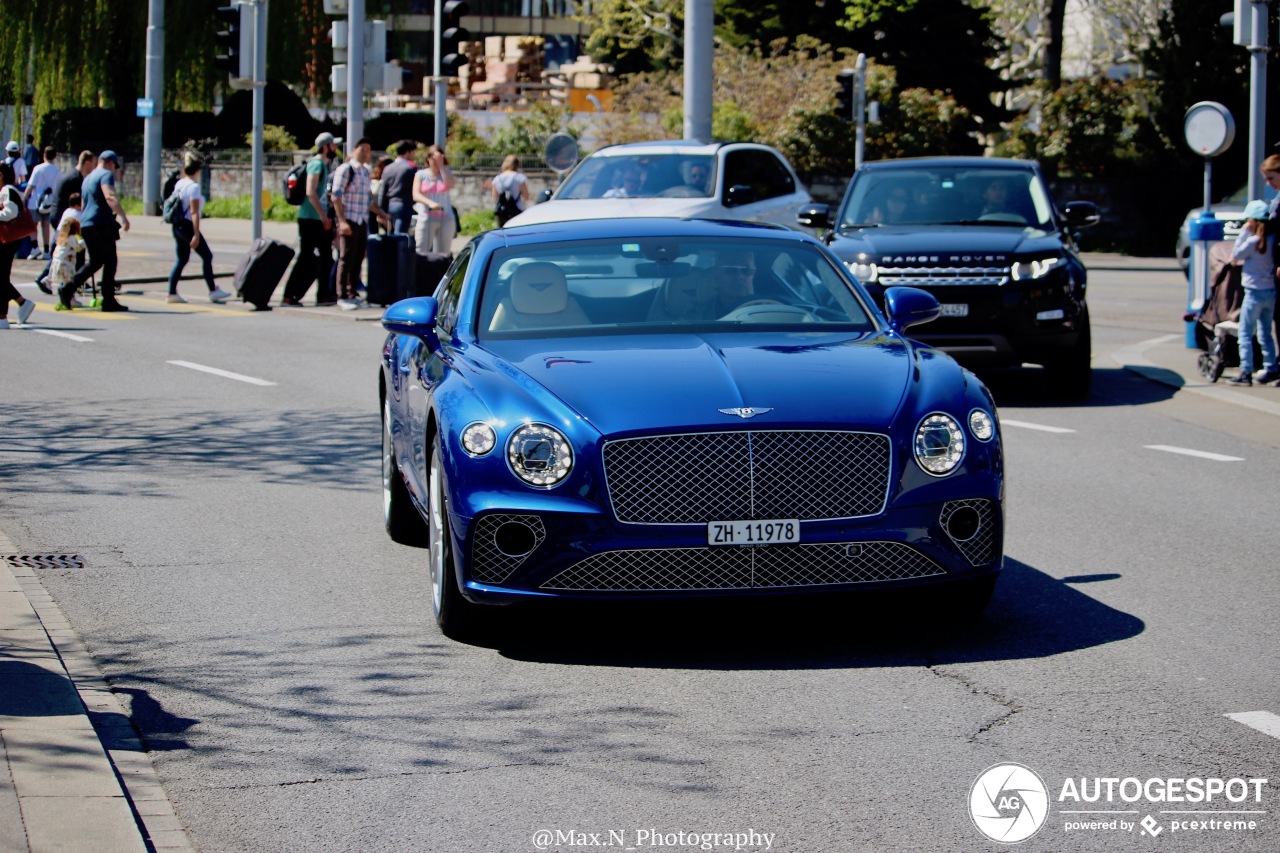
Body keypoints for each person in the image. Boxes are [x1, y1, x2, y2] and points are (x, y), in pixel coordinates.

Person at [60, 150, 130, 312]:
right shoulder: (106, 175)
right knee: (110, 260)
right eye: (114, 166)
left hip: (87, 224)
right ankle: (108, 299)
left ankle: (68, 288)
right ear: (111, 163)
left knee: (95, 261)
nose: (114, 169)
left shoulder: (87, 178)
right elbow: (110, 196)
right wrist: (124, 217)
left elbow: (84, 204)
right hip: (100, 224)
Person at [280, 132, 339, 307]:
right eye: (333, 145)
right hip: (310, 219)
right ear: (326, 146)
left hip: (317, 219)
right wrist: (323, 216)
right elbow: (310, 192)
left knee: (326, 257)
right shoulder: (316, 164)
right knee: (306, 257)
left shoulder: (325, 165)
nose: (336, 148)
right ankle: (288, 295)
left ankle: (324, 295)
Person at [1225, 199, 1279, 386]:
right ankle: (1271, 367)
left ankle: (1245, 371)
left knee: (1245, 332)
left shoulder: (1253, 241)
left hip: (1254, 292)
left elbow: (1236, 254)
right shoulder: (1272, 240)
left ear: (1253, 221)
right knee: (1265, 331)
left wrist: (1244, 232)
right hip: (1270, 291)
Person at [330, 138, 389, 310]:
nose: (365, 153)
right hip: (349, 218)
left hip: (361, 219)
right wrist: (342, 221)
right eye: (362, 149)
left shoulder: (365, 171)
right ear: (354, 149)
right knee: (345, 258)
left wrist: (379, 212)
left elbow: (366, 199)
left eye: (368, 150)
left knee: (357, 258)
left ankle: (352, 293)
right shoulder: (346, 169)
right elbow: (336, 196)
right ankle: (341, 296)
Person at [166, 154, 231, 305]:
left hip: (177, 225)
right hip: (188, 226)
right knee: (207, 256)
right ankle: (213, 290)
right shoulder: (194, 187)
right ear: (197, 170)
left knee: (182, 259)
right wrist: (195, 234)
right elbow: (194, 212)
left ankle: (171, 293)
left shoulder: (180, 184)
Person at [0, 162, 36, 330]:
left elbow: (11, 212)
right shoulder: (7, 190)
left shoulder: (7, 190)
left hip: (9, 241)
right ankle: (19, 305)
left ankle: (4, 316)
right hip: (8, 240)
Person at [412, 144, 455, 255]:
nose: (435, 161)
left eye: (438, 158)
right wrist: (430, 203)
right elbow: (416, 194)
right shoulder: (421, 175)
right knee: (421, 250)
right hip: (427, 217)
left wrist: (441, 167)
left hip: (445, 217)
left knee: (443, 252)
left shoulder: (447, 173)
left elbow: (450, 185)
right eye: (433, 158)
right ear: (428, 158)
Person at [22, 146, 59, 259]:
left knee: (33, 226)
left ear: (44, 155)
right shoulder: (57, 171)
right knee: (46, 225)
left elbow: (31, 186)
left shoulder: (38, 169)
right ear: (55, 157)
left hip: (35, 202)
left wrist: (24, 198)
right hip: (49, 203)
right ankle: (47, 251)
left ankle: (35, 248)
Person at [377, 140, 419, 235]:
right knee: (400, 235)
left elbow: (383, 190)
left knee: (391, 233)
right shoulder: (410, 168)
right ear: (409, 152)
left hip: (390, 205)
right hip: (404, 205)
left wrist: (381, 210)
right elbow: (415, 189)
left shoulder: (388, 168)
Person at [48, 217, 86, 306]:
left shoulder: (62, 238)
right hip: (65, 265)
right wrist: (83, 239)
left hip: (57, 263)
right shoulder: (71, 238)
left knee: (64, 282)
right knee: (69, 283)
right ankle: (70, 299)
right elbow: (79, 247)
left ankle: (64, 299)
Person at [491, 154, 529, 226]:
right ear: (517, 165)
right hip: (517, 210)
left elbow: (495, 199)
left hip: (501, 212)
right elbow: (526, 196)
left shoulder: (497, 179)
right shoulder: (519, 177)